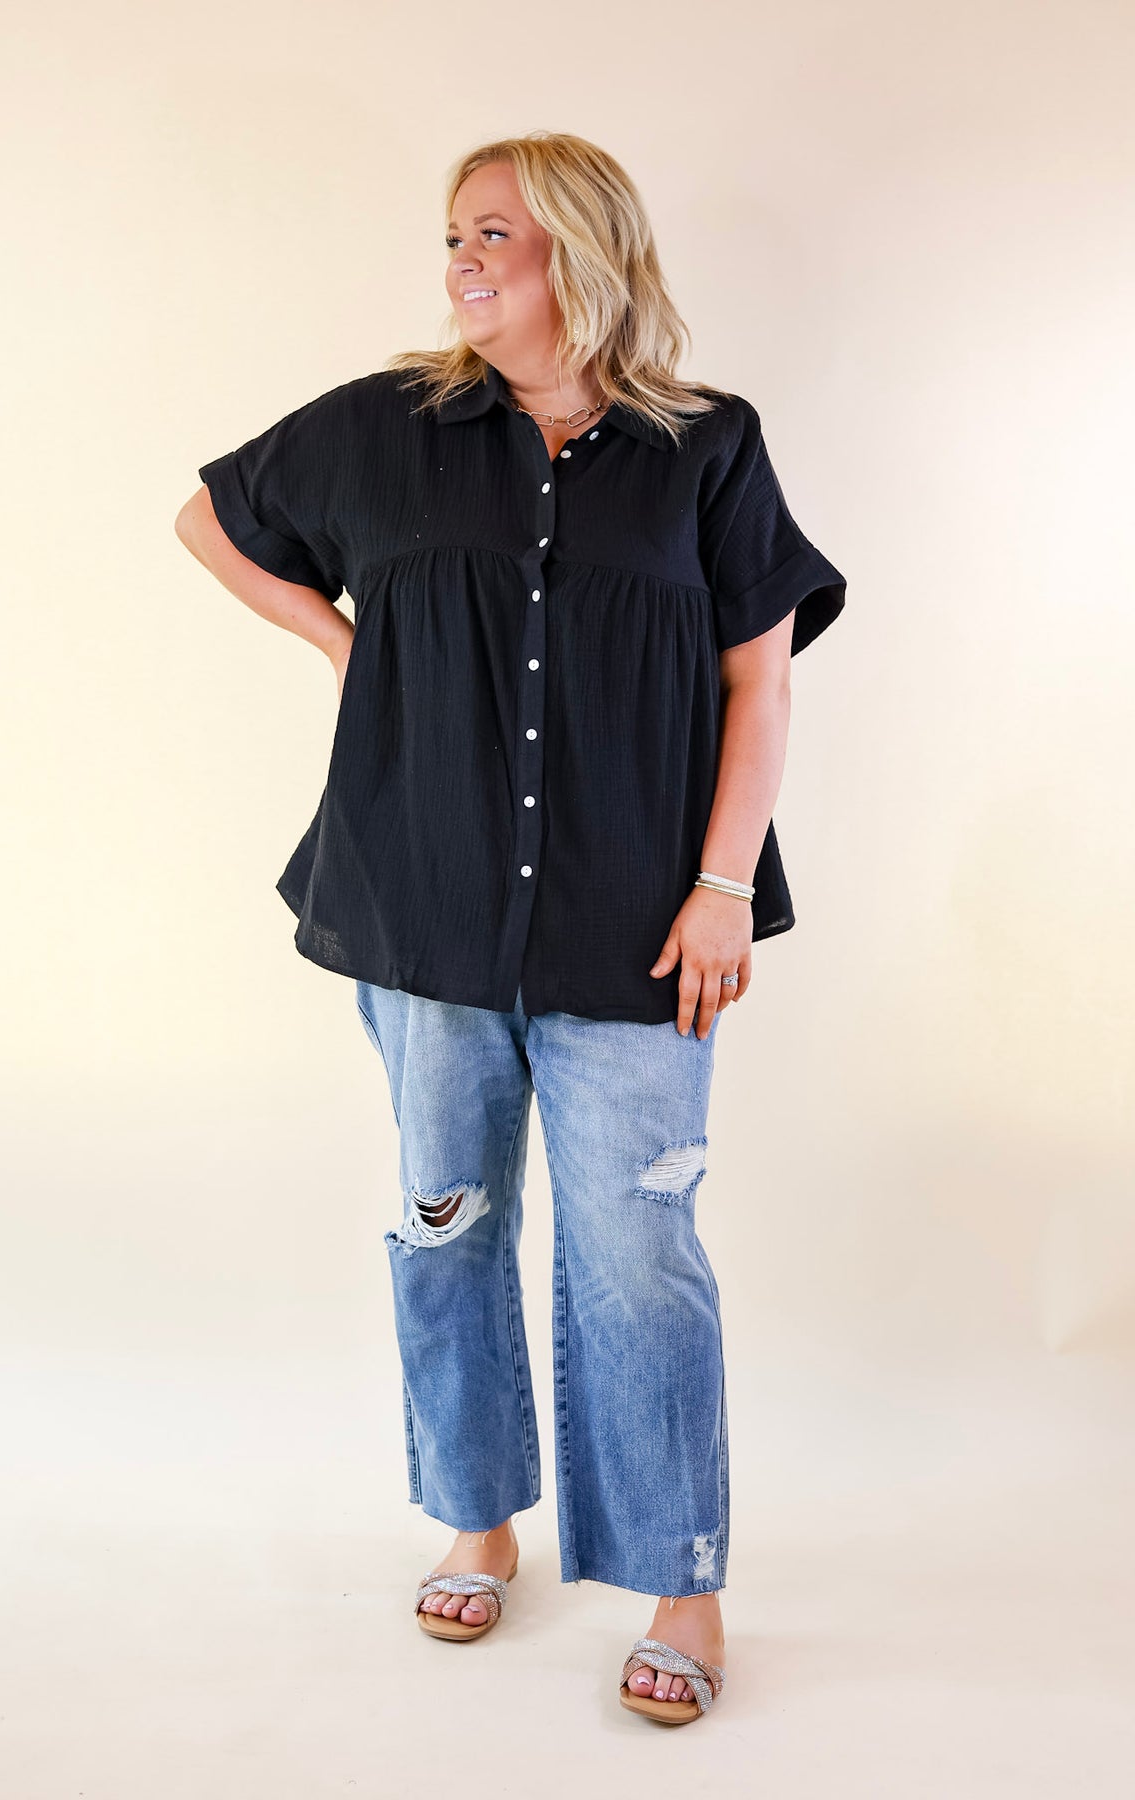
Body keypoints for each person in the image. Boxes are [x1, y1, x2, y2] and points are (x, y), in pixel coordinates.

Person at [175, 131, 846, 1727]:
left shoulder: (706, 448)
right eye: (455, 234)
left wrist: (725, 885)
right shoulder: (386, 429)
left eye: (497, 232)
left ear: (583, 249)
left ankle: (682, 1578)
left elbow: (758, 681)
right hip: (424, 906)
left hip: (640, 924)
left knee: (641, 1252)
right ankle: (478, 1517)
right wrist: (347, 649)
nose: (464, 260)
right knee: (448, 1219)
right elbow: (209, 520)